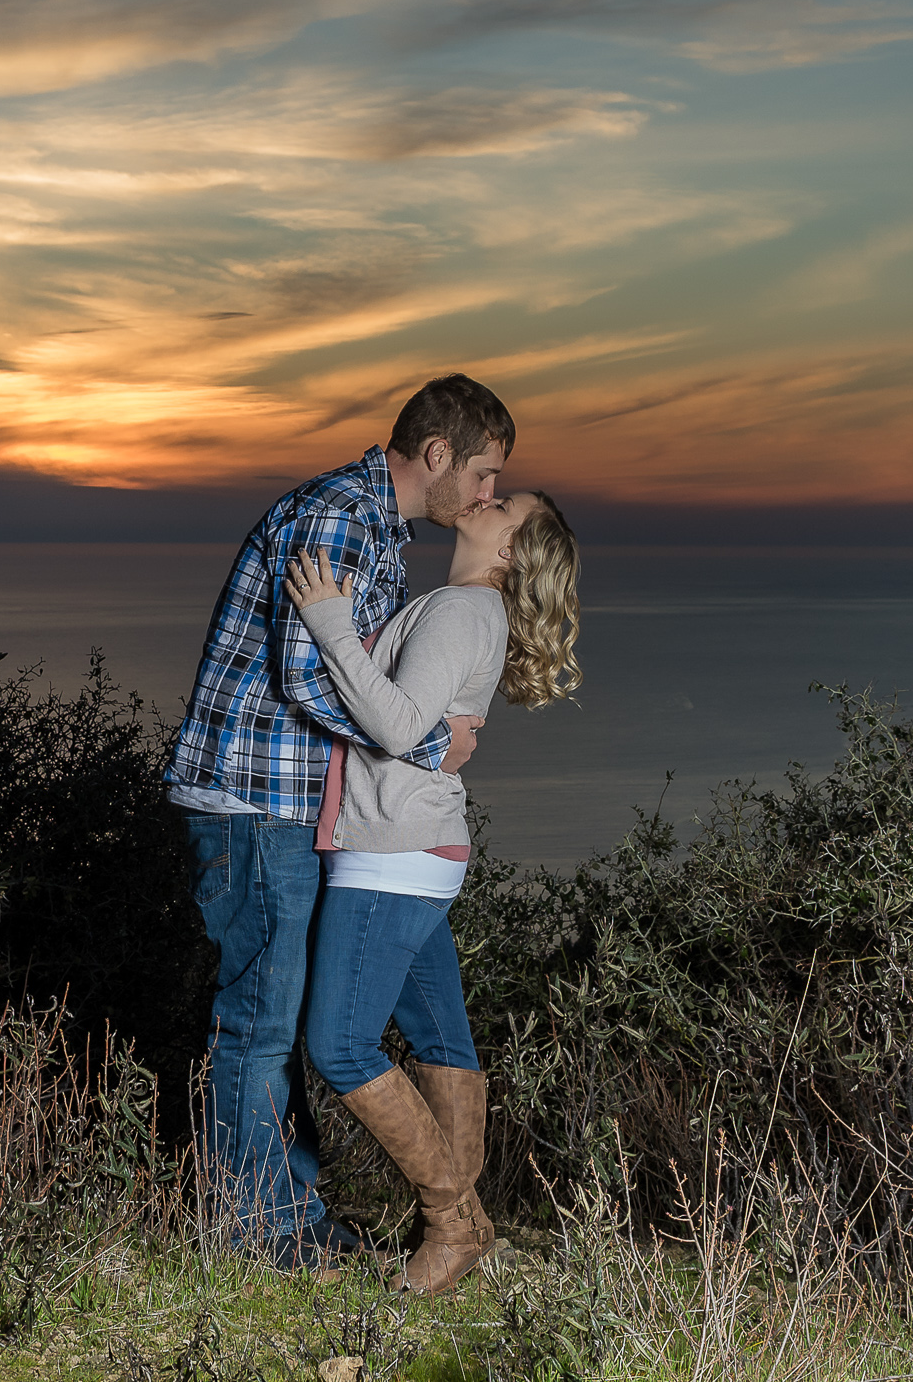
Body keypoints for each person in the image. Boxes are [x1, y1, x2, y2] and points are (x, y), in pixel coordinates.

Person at [166, 374, 513, 1269]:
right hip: (257, 801)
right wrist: (431, 740)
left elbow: (359, 668)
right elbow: (311, 677)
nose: (485, 495)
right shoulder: (343, 516)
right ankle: (263, 1233)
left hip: (296, 807)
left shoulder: (377, 528)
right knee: (263, 1024)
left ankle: (330, 1217)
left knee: (285, 1019)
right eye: (483, 475)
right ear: (438, 455)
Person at [283, 490, 582, 1294]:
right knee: (442, 1043)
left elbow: (396, 725)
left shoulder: (460, 609)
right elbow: (422, 728)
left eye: (504, 502)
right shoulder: (468, 609)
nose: (485, 496)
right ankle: (468, 1229)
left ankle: (450, 1224)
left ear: (512, 548)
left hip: (393, 853)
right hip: (420, 849)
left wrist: (331, 624)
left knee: (339, 1044)